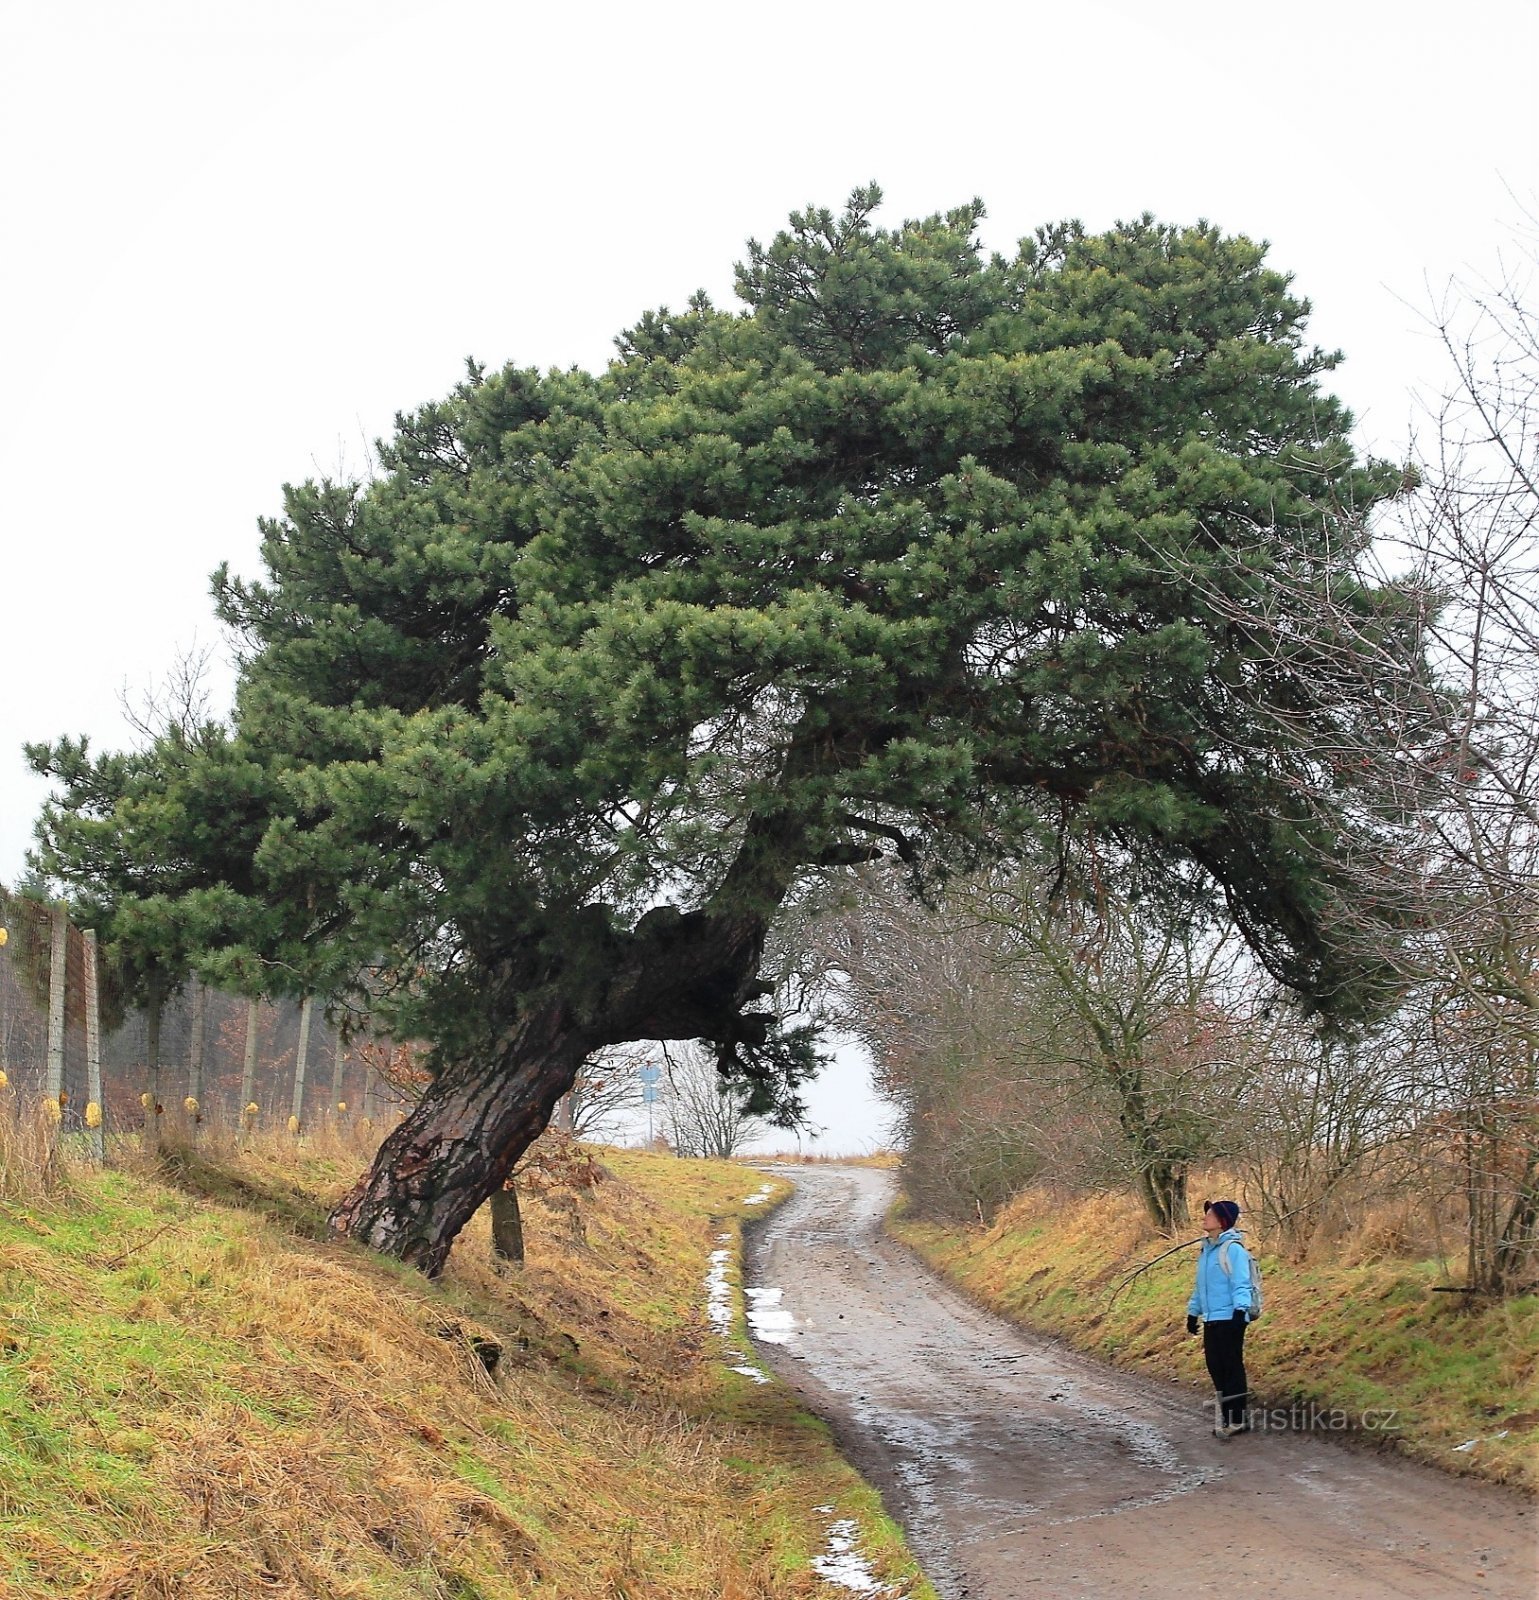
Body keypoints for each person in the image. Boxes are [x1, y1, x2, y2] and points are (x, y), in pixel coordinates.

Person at [1186, 1198, 1255, 1438]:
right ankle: (1227, 1417)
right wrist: (1193, 1312)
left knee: (1231, 1368)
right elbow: (1200, 1286)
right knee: (1216, 1368)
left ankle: (1237, 1419)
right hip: (1212, 1318)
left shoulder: (1233, 1249)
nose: (1205, 1218)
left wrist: (1240, 1310)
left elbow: (1241, 1282)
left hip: (1230, 1318)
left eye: (1210, 1214)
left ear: (1222, 1221)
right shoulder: (1206, 1250)